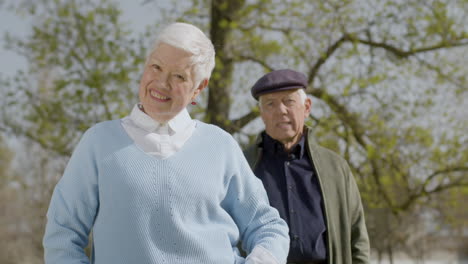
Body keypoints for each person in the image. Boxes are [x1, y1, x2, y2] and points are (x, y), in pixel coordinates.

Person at [43, 22, 289, 264]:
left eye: (179, 76)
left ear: (198, 88)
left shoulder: (220, 145)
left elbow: (267, 226)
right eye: (156, 67)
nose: (161, 83)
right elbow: (62, 236)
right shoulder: (98, 143)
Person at [244, 69, 370, 264]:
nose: (281, 110)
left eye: (289, 101)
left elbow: (357, 238)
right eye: (270, 104)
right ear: (261, 113)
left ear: (307, 107)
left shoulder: (335, 168)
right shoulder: (242, 166)